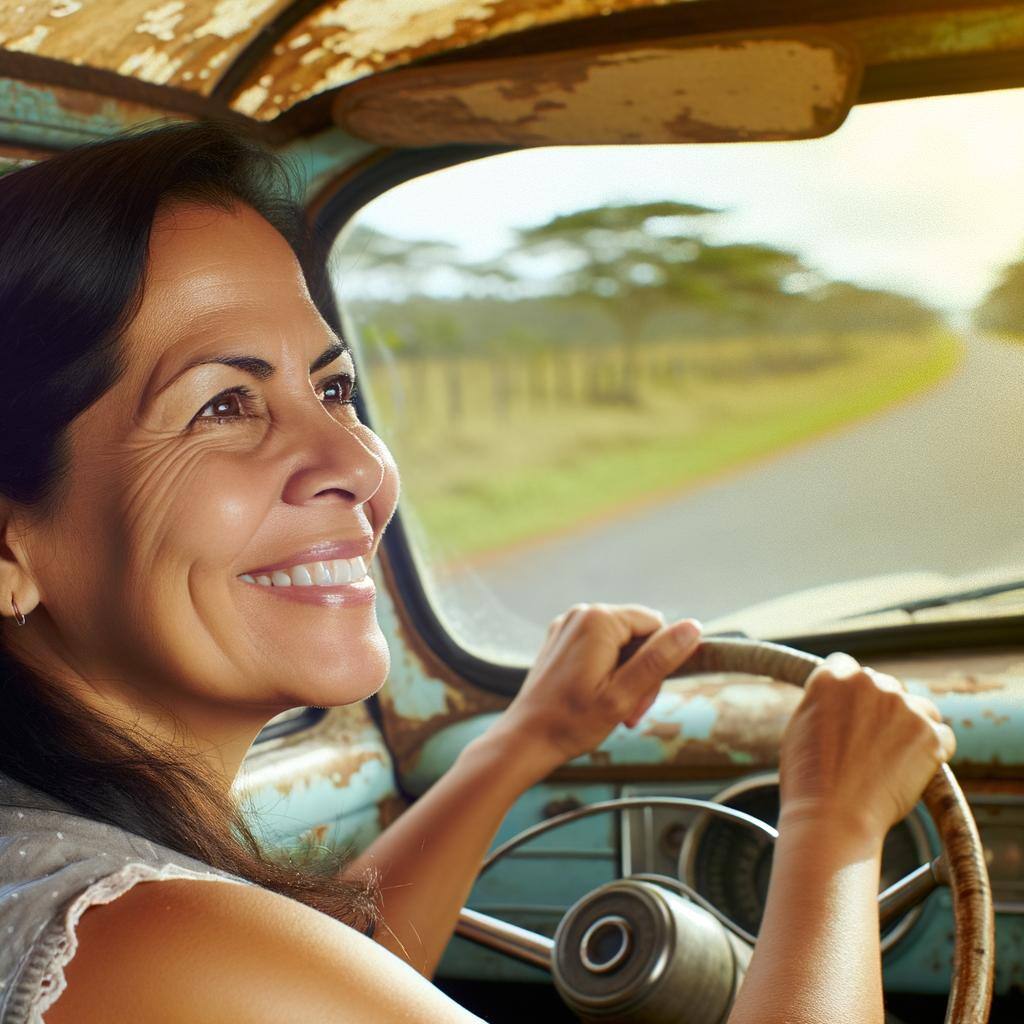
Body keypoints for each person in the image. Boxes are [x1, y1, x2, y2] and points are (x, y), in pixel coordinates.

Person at [0, 118, 956, 1024]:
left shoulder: (57, 865)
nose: (360, 466)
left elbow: (325, 976)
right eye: (223, 407)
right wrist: (834, 831)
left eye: (334, 389)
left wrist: (526, 738)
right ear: (12, 547)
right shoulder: (142, 941)